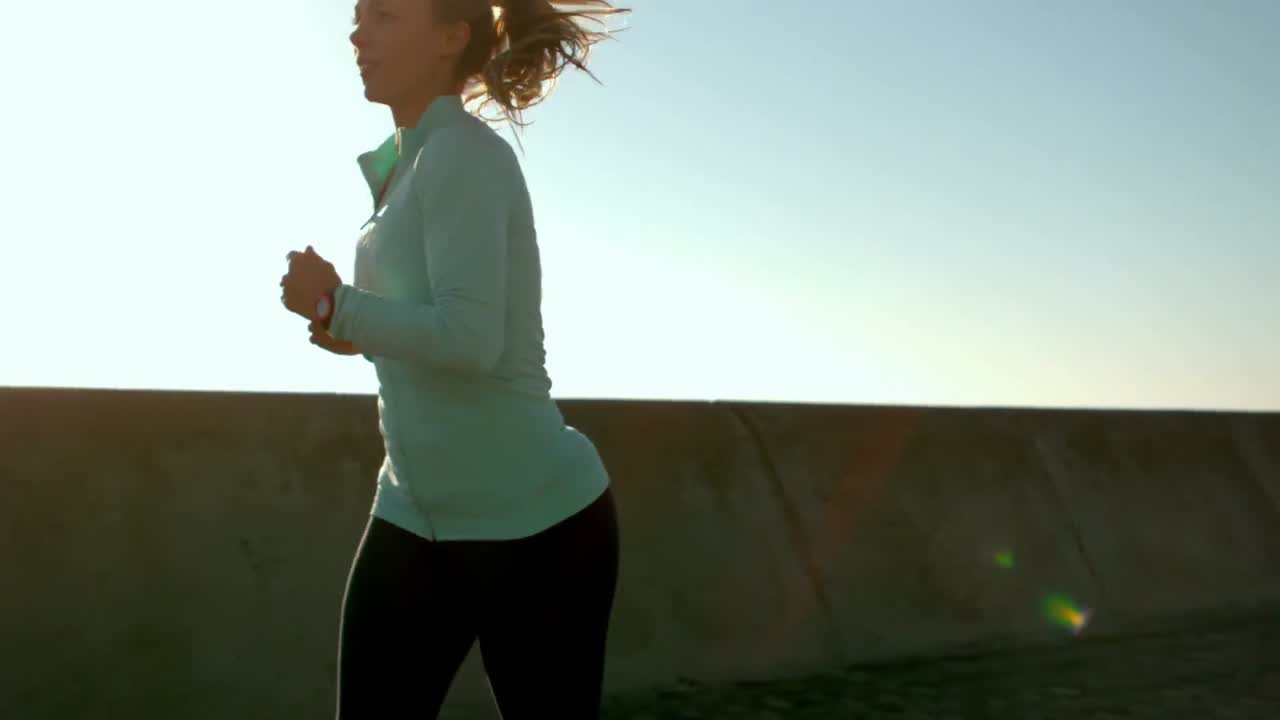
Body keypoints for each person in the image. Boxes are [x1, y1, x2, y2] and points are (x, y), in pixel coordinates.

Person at [277, 1, 627, 717]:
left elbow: (470, 340)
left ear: (449, 38)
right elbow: (425, 323)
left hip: (539, 527)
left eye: (384, 14)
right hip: (414, 511)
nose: (356, 32)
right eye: (358, 15)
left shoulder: (463, 155)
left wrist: (336, 305)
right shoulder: (408, 166)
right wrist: (350, 331)